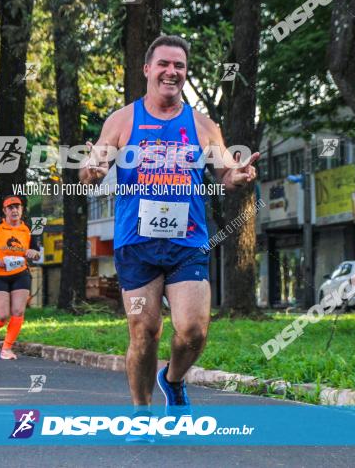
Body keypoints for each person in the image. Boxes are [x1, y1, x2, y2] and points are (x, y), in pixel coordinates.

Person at [80, 35, 259, 415]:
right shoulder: (123, 120)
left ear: (185, 73)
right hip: (137, 246)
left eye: (179, 66)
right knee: (144, 332)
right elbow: (90, 170)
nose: (171, 71)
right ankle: (142, 413)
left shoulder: (203, 126)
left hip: (187, 243)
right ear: (147, 69)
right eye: (163, 64)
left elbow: (225, 172)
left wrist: (237, 176)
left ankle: (173, 379)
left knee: (193, 331)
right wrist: (92, 170)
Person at [0, 196, 41, 360]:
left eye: (17, 207)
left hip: (21, 274)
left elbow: (35, 252)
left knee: (18, 311)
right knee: (2, 315)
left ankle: (6, 348)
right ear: (4, 211)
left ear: (21, 210)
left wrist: (33, 253)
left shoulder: (27, 230)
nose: (14, 210)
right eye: (10, 207)